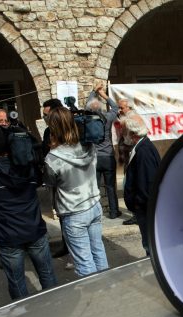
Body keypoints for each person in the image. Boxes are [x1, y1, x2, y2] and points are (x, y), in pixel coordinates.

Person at [0, 126, 57, 300]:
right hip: (34, 230)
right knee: (47, 274)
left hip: (6, 235)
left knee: (17, 282)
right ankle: (55, 305)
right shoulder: (28, 169)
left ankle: (23, 315)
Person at [43, 107, 109, 277]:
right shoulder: (88, 145)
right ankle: (108, 289)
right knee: (98, 251)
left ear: (53, 128)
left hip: (74, 213)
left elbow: (50, 183)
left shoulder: (53, 158)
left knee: (84, 262)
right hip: (94, 205)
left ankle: (95, 299)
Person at [121, 117, 161, 256]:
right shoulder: (141, 147)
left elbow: (148, 184)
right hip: (145, 209)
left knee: (151, 247)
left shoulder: (144, 151)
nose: (122, 133)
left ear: (132, 133)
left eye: (124, 130)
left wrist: (138, 204)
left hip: (146, 210)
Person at [87, 83, 122, 219]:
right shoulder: (108, 117)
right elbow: (115, 107)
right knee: (110, 187)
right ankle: (114, 212)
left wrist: (93, 91)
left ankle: (97, 214)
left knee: (95, 188)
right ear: (102, 108)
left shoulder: (88, 119)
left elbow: (87, 105)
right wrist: (102, 93)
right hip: (108, 157)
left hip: (94, 158)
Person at [40, 98, 70, 258]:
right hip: (55, 180)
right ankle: (66, 244)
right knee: (61, 214)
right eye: (44, 115)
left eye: (47, 115)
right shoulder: (47, 132)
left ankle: (73, 249)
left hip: (70, 183)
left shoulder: (71, 130)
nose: (45, 118)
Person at [116, 98, 148, 226]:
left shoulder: (132, 118)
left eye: (122, 108)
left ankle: (136, 214)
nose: (120, 110)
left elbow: (130, 138)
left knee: (131, 182)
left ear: (128, 107)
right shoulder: (127, 117)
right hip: (129, 152)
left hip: (132, 152)